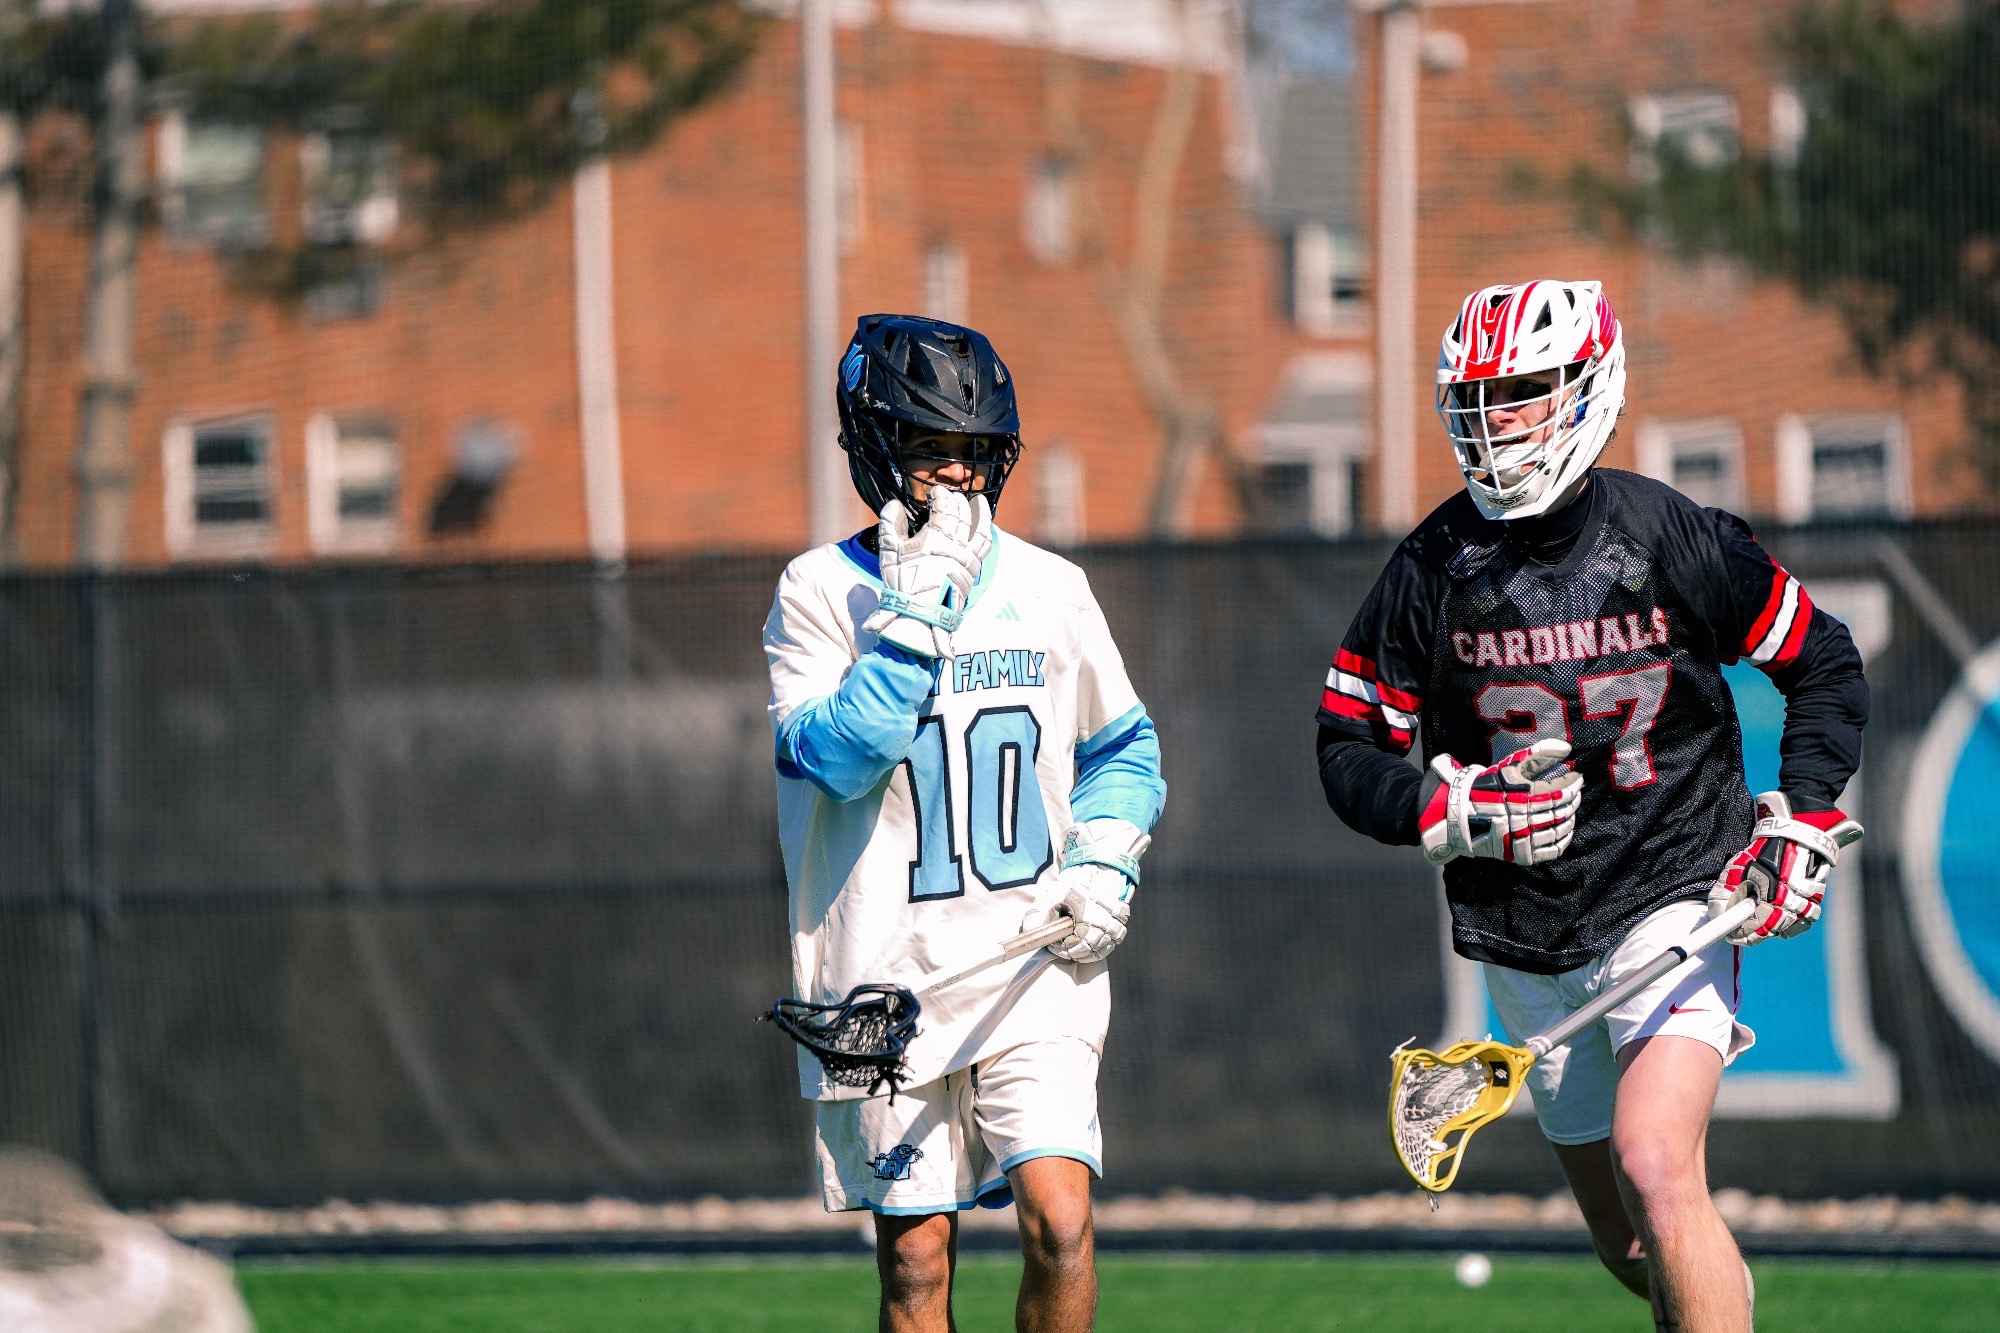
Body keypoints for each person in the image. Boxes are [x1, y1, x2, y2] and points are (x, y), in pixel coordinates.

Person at [1314, 280, 1867, 1332]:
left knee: (1655, 1162)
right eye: (1479, 397)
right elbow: (1346, 743)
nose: (1498, 420)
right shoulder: (1431, 566)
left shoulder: (1667, 534)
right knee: (1628, 1240)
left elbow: (1822, 662)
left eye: (1521, 391)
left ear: (1587, 384)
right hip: (1526, 934)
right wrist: (1451, 809)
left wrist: (1797, 816)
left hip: (1674, 893)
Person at [765, 314, 1166, 1333]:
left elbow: (1123, 750)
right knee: (914, 1265)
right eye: (927, 450)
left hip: (1033, 959)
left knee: (1061, 1222)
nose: (956, 478)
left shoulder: (1050, 587)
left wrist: (1106, 862)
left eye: (972, 453)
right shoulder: (816, 593)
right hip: (884, 982)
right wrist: (914, 624)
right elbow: (840, 758)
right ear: (874, 448)